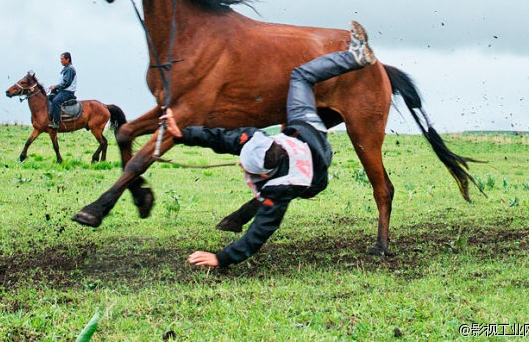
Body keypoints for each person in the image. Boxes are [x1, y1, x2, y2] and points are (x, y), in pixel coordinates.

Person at [161, 21, 377, 268]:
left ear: (265, 172)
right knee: (301, 77)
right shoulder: (266, 159)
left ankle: (355, 57)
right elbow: (221, 138)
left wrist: (219, 258)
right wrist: (182, 135)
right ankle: (353, 58)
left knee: (300, 77)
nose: (242, 165)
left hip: (310, 150)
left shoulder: (274, 178)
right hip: (312, 145)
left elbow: (258, 232)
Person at [47, 52, 77, 129]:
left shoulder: (70, 69)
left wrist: (55, 86)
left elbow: (66, 83)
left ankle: (56, 122)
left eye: (62, 59)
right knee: (49, 97)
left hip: (67, 92)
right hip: (63, 91)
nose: (61, 61)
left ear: (68, 59)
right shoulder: (66, 68)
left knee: (56, 101)